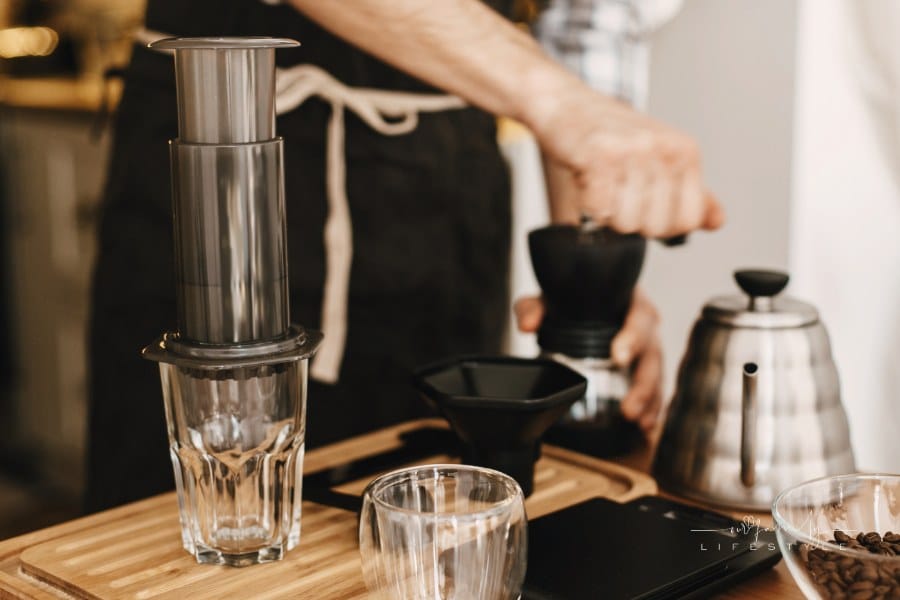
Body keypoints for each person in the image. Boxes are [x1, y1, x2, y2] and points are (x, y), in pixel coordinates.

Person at [85, 0, 723, 513]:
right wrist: (560, 102)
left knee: (435, 515)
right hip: (214, 144)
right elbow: (566, 98)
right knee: (187, 505)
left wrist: (588, 271)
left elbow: (587, 22)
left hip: (442, 178)